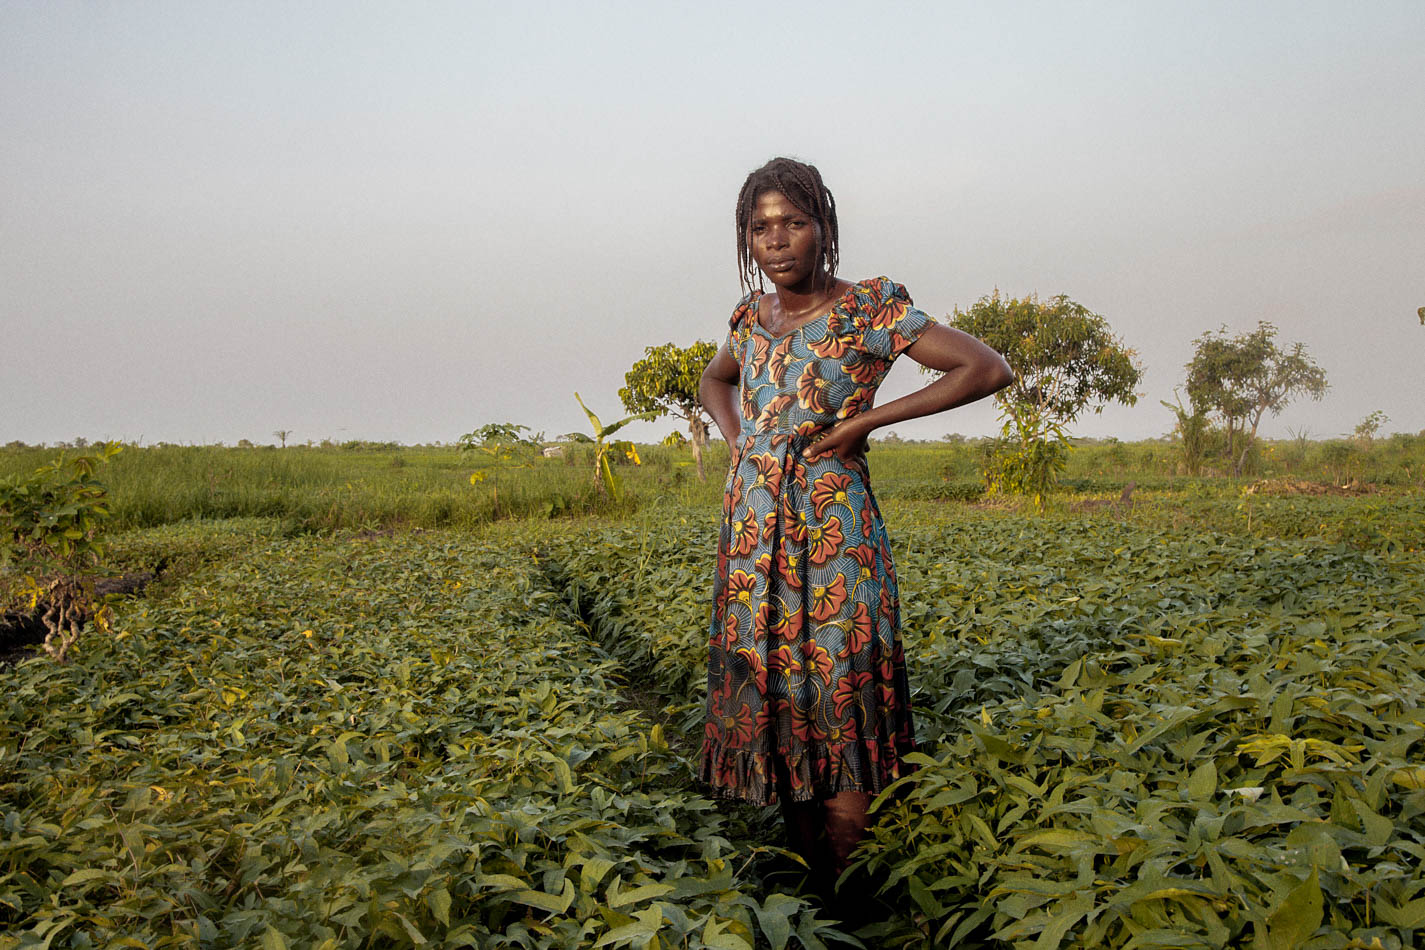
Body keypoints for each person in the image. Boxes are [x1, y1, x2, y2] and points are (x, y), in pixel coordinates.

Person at [697, 157, 1013, 903]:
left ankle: (855, 898)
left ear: (824, 228)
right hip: (753, 534)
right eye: (761, 227)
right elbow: (715, 380)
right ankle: (807, 888)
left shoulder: (868, 307)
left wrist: (867, 420)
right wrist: (739, 436)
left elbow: (982, 367)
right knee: (778, 690)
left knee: (839, 687)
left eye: (793, 223)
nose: (777, 240)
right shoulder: (749, 317)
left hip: (833, 526)